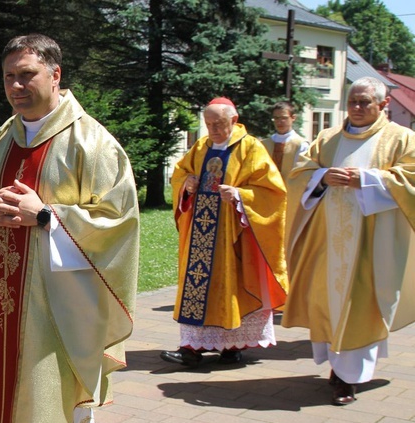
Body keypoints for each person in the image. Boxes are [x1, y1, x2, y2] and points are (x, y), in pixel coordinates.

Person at [0, 34, 139, 423]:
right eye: (9, 77)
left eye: (27, 75)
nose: (16, 86)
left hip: (57, 312)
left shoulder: (92, 143)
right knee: (26, 409)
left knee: (47, 407)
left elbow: (118, 222)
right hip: (4, 304)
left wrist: (46, 217)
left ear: (56, 75)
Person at [282, 76, 415, 406]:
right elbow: (299, 175)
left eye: (364, 102)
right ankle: (338, 369)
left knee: (361, 306)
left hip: (373, 243)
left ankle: (348, 378)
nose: (356, 108)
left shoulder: (401, 139)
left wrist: (367, 180)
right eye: (352, 101)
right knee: (328, 301)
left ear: (383, 105)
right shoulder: (327, 139)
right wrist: (321, 177)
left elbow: (410, 178)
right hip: (327, 241)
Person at [160, 97, 288, 367]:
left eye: (219, 124)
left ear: (234, 120)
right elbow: (180, 173)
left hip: (234, 233)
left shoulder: (250, 148)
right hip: (200, 233)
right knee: (197, 285)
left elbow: (273, 192)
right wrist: (187, 183)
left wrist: (240, 195)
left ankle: (233, 346)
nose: (213, 130)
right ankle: (191, 348)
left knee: (234, 285)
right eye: (208, 124)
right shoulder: (200, 146)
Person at [261, 101, 310, 182]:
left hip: (291, 191)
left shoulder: (301, 145)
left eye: (284, 118)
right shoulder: (264, 144)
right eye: (276, 118)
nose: (279, 122)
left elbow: (303, 174)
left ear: (293, 118)